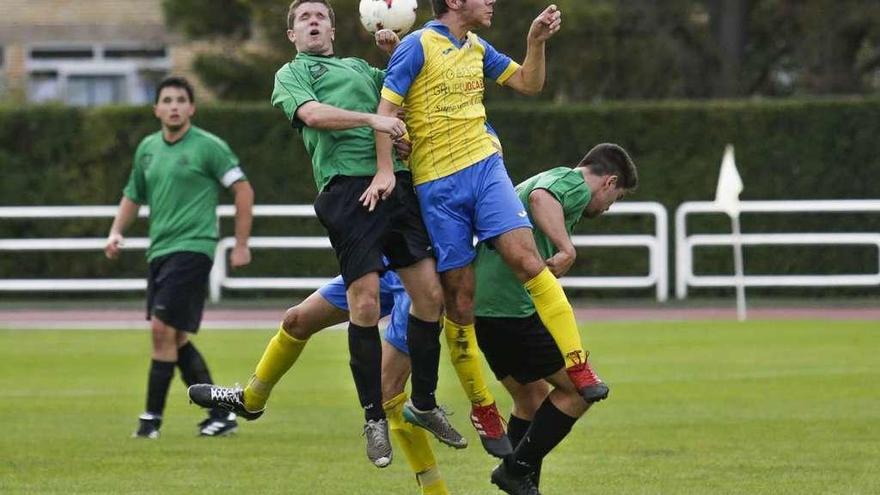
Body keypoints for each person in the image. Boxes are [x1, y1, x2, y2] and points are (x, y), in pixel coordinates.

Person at [189, 0, 462, 468]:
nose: (312, 22)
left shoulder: (360, 67)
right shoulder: (292, 75)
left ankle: (425, 402)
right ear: (292, 35)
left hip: (395, 184)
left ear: (335, 29)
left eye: (320, 16)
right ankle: (372, 416)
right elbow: (315, 116)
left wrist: (395, 55)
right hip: (348, 193)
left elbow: (401, 105)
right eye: (302, 19)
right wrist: (373, 121)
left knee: (431, 298)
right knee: (364, 304)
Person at [374, 0, 607, 457]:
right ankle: (482, 406)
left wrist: (535, 42)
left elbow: (528, 83)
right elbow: (385, 113)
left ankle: (578, 364)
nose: (492, 2)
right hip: (438, 186)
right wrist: (385, 169)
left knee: (527, 259)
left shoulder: (477, 46)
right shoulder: (417, 45)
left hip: (485, 169)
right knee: (460, 301)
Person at [190, 271, 451, 494]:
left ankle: (435, 490)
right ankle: (251, 401)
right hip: (378, 264)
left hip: (418, 272)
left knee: (387, 390)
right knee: (296, 320)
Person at [474, 144, 638, 495]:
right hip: (509, 309)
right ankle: (515, 471)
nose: (609, 207)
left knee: (531, 399)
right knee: (580, 391)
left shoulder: (550, 175)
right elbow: (541, 199)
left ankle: (519, 482)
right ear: (608, 182)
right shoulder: (573, 183)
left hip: (485, 308)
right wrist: (567, 248)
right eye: (617, 197)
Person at [105, 76, 254, 439]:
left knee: (161, 331)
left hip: (194, 248)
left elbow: (243, 190)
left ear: (192, 108)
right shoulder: (147, 149)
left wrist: (240, 243)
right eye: (167, 100)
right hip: (160, 251)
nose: (173, 106)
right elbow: (132, 194)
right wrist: (116, 231)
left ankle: (150, 420)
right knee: (175, 338)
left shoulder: (209, 147)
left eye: (180, 100)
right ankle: (222, 414)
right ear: (156, 108)